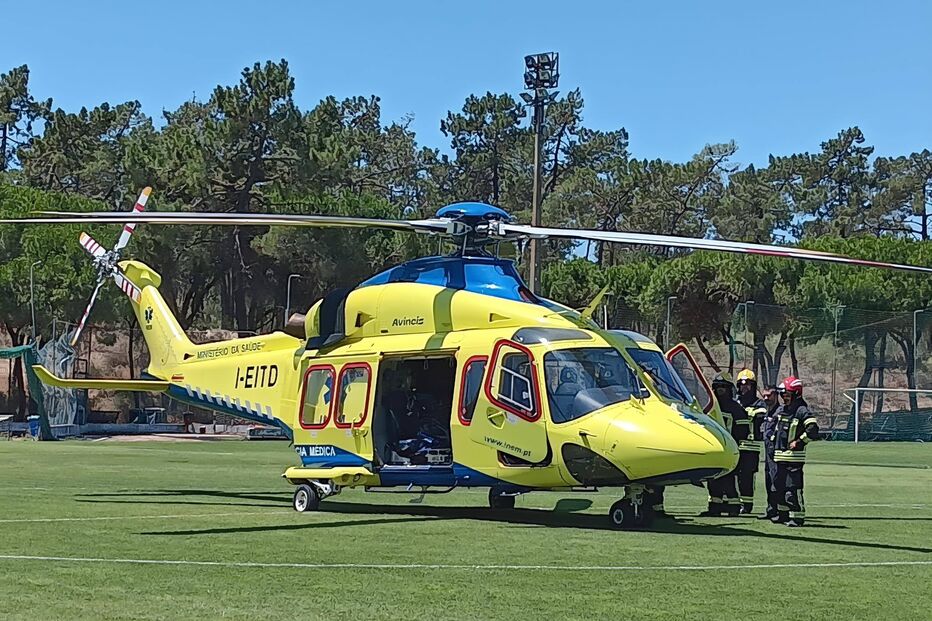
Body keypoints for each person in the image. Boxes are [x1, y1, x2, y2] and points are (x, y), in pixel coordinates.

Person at [773, 376, 820, 527]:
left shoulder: (801, 410)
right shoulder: (783, 410)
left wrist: (799, 442)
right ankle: (782, 515)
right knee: (778, 488)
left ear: (796, 394)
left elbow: (813, 430)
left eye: (787, 394)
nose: (784, 397)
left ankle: (797, 517)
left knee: (792, 489)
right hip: (780, 457)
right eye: (782, 395)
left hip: (794, 459)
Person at [699, 372, 747, 517]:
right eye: (717, 386)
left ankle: (733, 507)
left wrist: (734, 444)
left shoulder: (736, 408)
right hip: (713, 449)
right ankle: (714, 507)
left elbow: (743, 430)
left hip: (729, 449)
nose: (720, 390)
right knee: (713, 480)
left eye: (723, 387)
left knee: (729, 480)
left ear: (729, 389)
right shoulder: (709, 407)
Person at [735, 369, 767, 515]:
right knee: (733, 476)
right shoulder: (735, 402)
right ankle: (733, 503)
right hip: (735, 445)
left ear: (753, 386)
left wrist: (742, 412)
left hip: (750, 447)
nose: (744, 387)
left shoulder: (759, 404)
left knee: (747, 477)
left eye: (747, 384)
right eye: (741, 385)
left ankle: (747, 505)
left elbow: (758, 417)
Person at [758, 385, 782, 520]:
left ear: (776, 395)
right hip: (768, 453)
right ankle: (771, 509)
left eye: (769, 395)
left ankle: (779, 509)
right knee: (768, 480)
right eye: (764, 395)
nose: (766, 398)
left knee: (776, 480)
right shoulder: (768, 412)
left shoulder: (779, 412)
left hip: (776, 453)